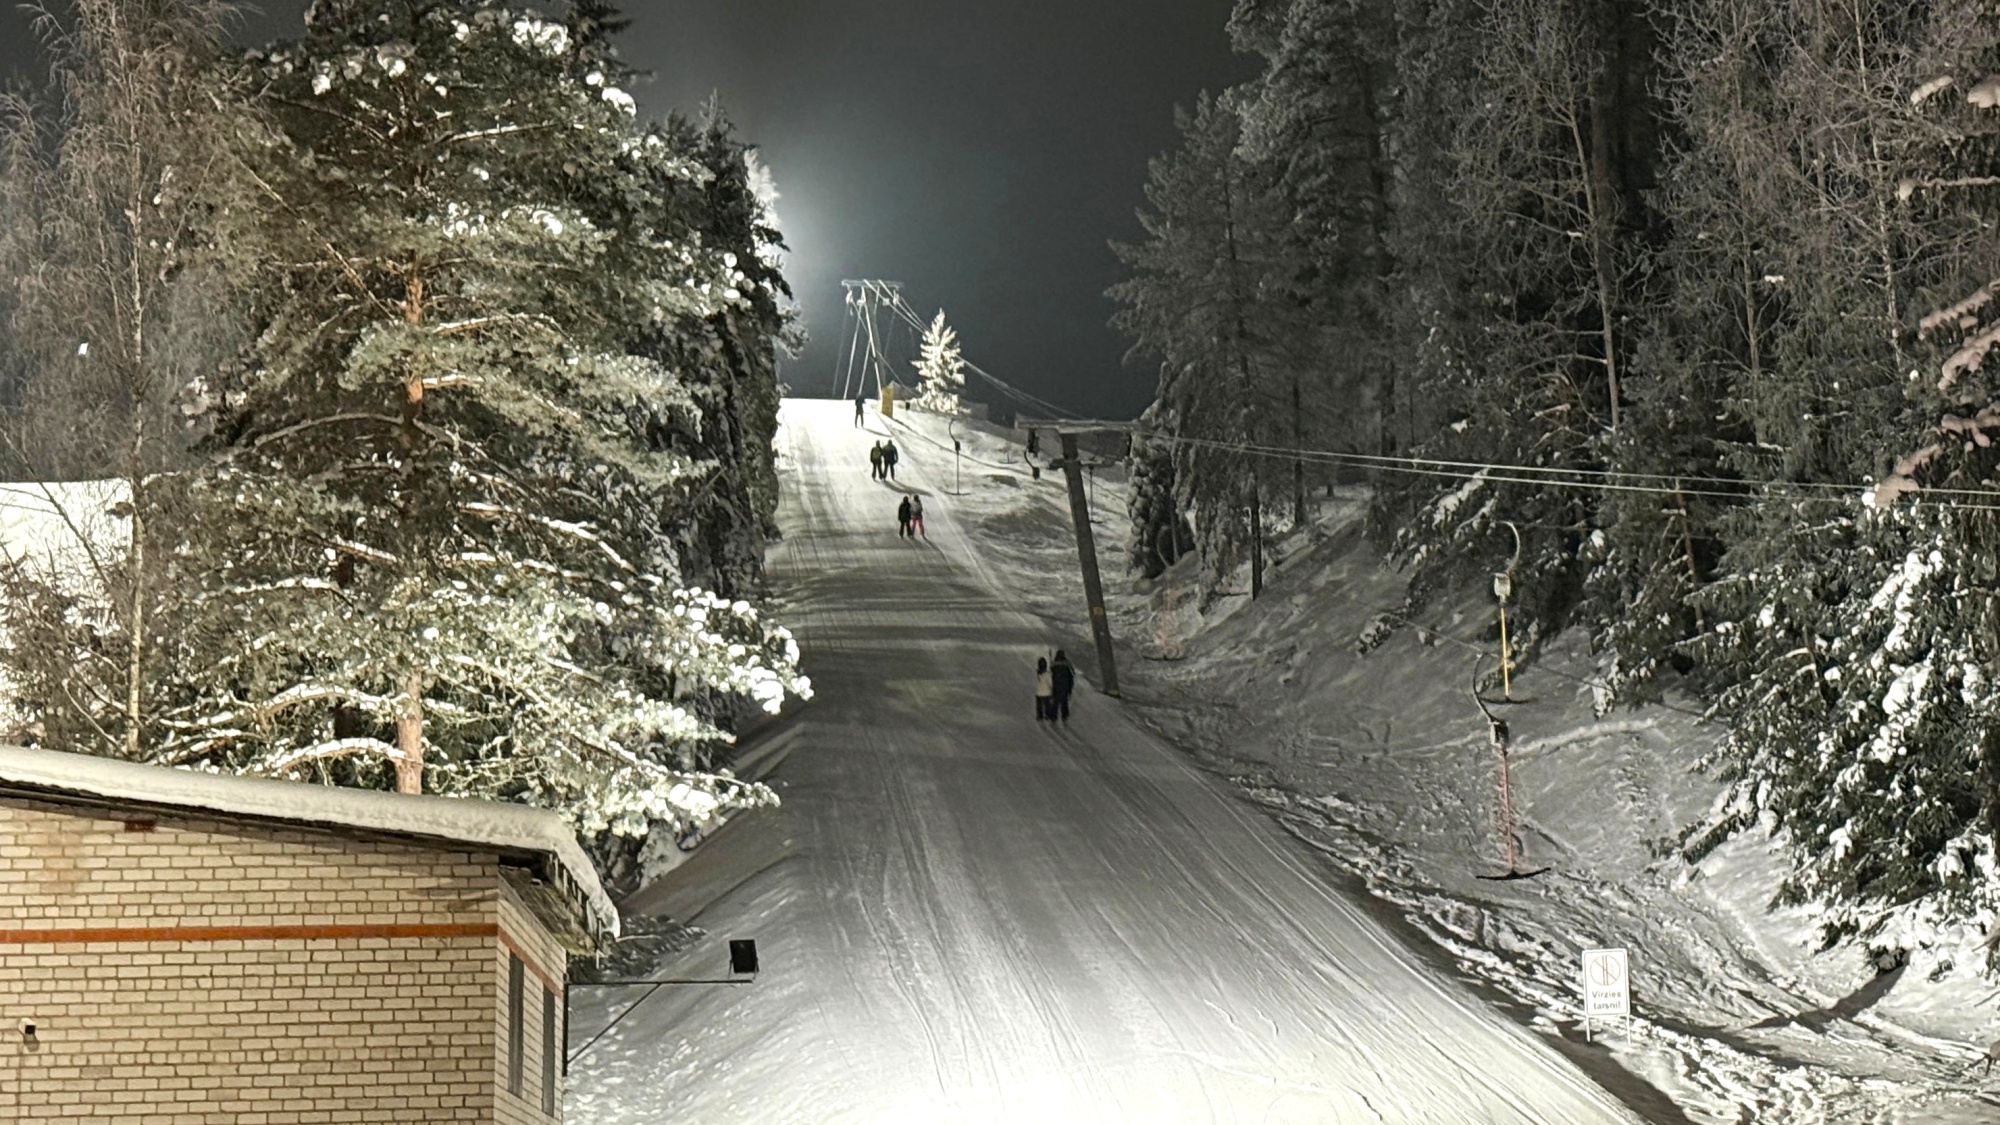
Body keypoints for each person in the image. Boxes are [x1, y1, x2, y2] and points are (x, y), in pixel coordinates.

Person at [1048, 650, 1076, 723]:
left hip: (1056, 685)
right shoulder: (1067, 664)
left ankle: (1053, 716)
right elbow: (1072, 675)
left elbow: (1051, 675)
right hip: (1065, 686)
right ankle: (1065, 715)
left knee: (1055, 701)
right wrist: (1070, 687)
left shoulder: (1054, 664)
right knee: (1064, 701)